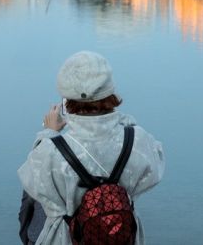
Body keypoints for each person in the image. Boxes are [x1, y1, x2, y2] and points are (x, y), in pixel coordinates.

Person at [18, 51, 165, 245]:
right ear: (111, 94)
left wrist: (48, 134)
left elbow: (33, 183)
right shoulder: (136, 140)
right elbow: (154, 171)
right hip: (119, 237)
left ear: (66, 102)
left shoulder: (51, 151)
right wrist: (122, 122)